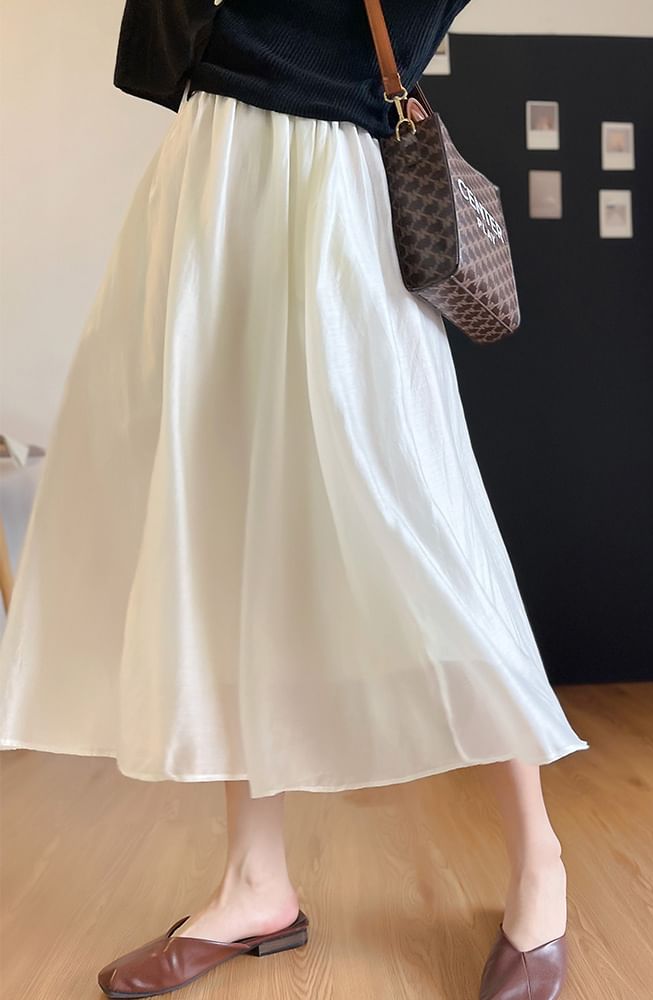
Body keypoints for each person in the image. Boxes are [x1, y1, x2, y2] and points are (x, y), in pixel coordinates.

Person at [0, 1, 590, 998]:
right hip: (206, 177)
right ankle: (254, 879)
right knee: (224, 523)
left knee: (420, 517)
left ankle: (540, 859)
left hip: (328, 184)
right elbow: (158, 44)